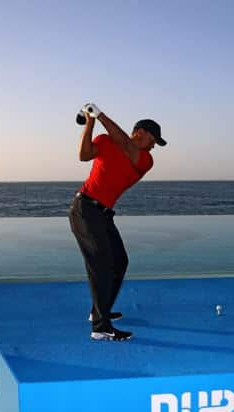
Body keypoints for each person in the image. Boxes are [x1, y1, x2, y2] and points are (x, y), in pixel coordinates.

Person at [68, 103, 167, 341]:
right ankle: (101, 328)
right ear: (142, 133)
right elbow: (83, 155)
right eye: (154, 140)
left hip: (102, 214)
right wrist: (90, 122)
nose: (154, 146)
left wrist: (99, 114)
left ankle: (99, 311)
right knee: (101, 264)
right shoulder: (105, 141)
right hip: (85, 209)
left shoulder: (144, 159)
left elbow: (126, 145)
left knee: (119, 261)